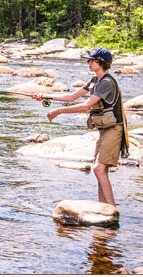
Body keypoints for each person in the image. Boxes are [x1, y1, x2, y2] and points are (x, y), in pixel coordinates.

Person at [32, 47, 125, 207]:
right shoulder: (95, 81)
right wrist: (46, 95)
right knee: (100, 171)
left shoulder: (107, 82)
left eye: (91, 60)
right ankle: (103, 207)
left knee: (98, 169)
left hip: (114, 130)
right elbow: (72, 97)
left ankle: (111, 210)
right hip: (104, 131)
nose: (88, 63)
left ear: (100, 62)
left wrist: (59, 111)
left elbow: (85, 106)